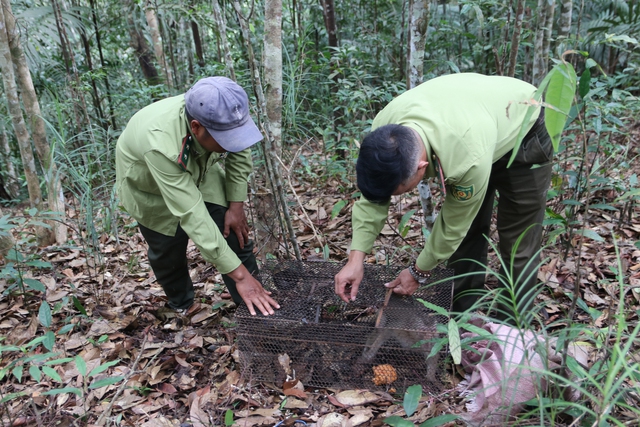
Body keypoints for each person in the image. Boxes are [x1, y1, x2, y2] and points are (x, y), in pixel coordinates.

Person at [334, 73, 553, 319]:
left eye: (400, 192)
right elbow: (373, 198)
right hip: (476, 122)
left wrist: (419, 271)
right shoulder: (384, 130)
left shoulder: (465, 160)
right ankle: (461, 318)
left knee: (518, 240)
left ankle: (510, 329)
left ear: (421, 166)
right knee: (468, 236)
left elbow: (453, 224)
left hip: (523, 123)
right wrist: (356, 259)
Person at [116, 76, 279, 316]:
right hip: (148, 185)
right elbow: (193, 215)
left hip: (201, 165)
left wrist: (236, 206)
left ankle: (256, 308)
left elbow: (239, 153)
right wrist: (240, 276)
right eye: (226, 139)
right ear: (196, 127)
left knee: (233, 232)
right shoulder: (160, 142)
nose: (232, 143)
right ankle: (181, 304)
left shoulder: (227, 111)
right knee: (167, 251)